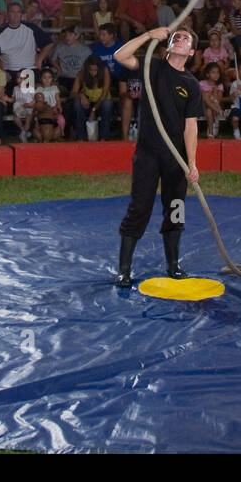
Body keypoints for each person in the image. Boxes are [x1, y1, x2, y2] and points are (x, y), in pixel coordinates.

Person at [112, 26, 203, 288]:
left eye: (186, 38)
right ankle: (124, 270)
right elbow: (120, 55)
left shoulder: (191, 84)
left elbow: (191, 127)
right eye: (177, 36)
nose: (181, 38)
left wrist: (192, 163)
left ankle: (173, 266)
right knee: (139, 207)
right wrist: (148, 35)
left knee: (176, 208)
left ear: (191, 52)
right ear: (169, 44)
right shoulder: (152, 66)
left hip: (176, 157)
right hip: (148, 152)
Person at [0, 2, 55, 82]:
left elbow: (49, 43)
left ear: (21, 14)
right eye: (12, 12)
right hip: (8, 71)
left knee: (27, 93)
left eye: (18, 12)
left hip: (29, 68)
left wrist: (40, 60)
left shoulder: (31, 28)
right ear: (7, 14)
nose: (15, 15)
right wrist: (2, 71)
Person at [72, 55, 114, 141]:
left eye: (95, 70)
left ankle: (104, 137)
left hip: (101, 102)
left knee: (107, 104)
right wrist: (81, 96)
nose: (93, 73)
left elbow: (105, 93)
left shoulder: (105, 71)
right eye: (91, 70)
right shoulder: (81, 73)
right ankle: (81, 137)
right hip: (87, 102)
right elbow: (73, 92)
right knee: (77, 103)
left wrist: (94, 110)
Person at [32, 67, 65, 142]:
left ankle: (61, 133)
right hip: (43, 112)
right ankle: (39, 133)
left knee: (61, 119)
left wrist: (58, 106)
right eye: (44, 78)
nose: (47, 80)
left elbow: (57, 99)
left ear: (52, 78)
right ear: (41, 79)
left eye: (49, 77)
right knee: (37, 121)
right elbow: (37, 100)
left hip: (54, 110)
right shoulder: (39, 89)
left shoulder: (54, 88)